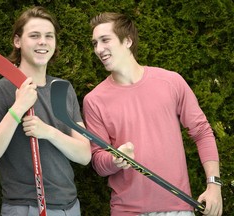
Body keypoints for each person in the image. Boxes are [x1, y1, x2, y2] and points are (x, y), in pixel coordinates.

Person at [83, 12, 222, 216]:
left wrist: (214, 185)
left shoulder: (171, 82)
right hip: (127, 211)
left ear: (128, 40)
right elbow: (98, 162)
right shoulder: (94, 100)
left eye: (105, 40)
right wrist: (114, 160)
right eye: (95, 43)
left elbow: (202, 132)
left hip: (178, 208)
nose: (98, 49)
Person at [0, 6, 91, 216]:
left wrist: (48, 132)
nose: (43, 42)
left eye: (49, 36)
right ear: (17, 41)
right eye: (34, 36)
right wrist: (18, 109)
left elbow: (84, 155)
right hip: (25, 207)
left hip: (70, 206)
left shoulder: (63, 88)